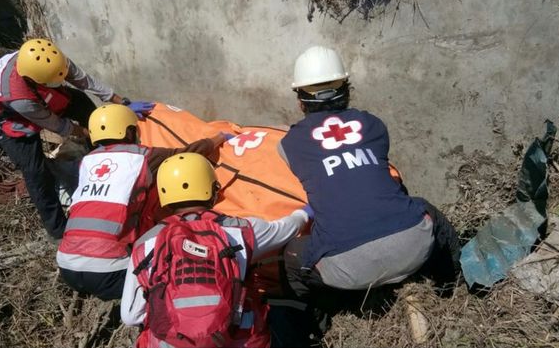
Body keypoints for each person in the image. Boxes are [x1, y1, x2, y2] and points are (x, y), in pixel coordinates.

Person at [278, 46, 460, 326]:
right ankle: (452, 285)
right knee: (426, 210)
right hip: (413, 249)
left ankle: (326, 317)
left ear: (301, 101)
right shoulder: (374, 125)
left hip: (345, 271)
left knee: (292, 256)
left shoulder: (289, 144)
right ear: (347, 90)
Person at [121, 152, 311, 348]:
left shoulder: (145, 243)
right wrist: (304, 214)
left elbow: (130, 316)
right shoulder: (240, 230)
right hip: (232, 339)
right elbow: (286, 229)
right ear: (213, 190)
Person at [0, 38, 154, 240]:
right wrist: (92, 132)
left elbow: (84, 80)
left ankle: (108, 157)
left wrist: (121, 101)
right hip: (6, 119)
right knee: (36, 171)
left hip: (37, 91)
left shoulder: (49, 60)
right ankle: (58, 230)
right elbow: (59, 126)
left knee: (81, 103)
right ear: (36, 80)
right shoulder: (20, 99)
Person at [56, 104, 232, 300]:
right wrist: (219, 138)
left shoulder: (88, 160)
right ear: (130, 132)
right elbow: (187, 154)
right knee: (171, 288)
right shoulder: (141, 157)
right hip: (109, 271)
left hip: (66, 265)